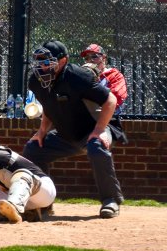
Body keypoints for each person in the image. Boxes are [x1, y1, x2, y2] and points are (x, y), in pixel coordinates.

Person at [23, 39, 123, 219]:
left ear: (63, 61)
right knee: (33, 149)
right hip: (66, 134)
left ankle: (111, 200)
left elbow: (111, 100)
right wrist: (41, 132)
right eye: (40, 61)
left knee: (96, 146)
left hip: (95, 127)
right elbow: (48, 106)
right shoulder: (36, 81)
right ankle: (43, 203)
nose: (43, 67)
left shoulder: (77, 76)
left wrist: (99, 130)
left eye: (47, 62)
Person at [80, 43, 128, 114]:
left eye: (94, 56)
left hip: (110, 116)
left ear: (104, 58)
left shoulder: (114, 75)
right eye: (87, 58)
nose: (90, 60)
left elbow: (117, 96)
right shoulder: (83, 76)